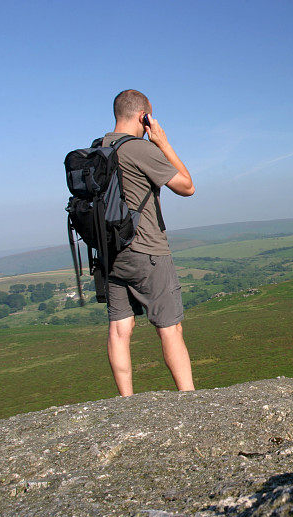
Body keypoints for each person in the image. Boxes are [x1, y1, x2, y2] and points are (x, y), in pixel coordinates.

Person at [103, 89, 196, 396]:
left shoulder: (97, 150)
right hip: (147, 251)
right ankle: (189, 398)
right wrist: (163, 142)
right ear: (145, 116)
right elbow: (187, 186)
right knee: (170, 328)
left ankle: (126, 401)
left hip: (109, 255)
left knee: (119, 329)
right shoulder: (138, 150)